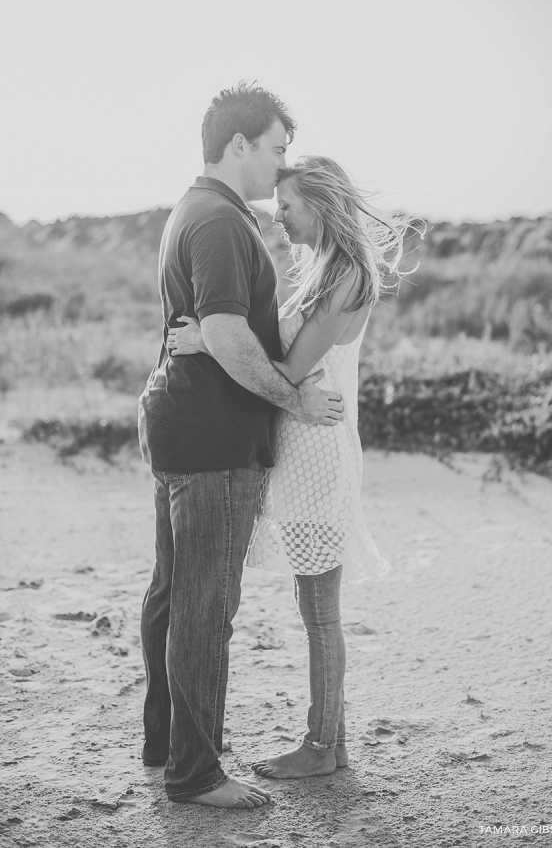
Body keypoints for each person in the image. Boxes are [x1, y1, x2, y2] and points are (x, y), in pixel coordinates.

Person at [168, 155, 417, 780]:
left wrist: (210, 342)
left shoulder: (347, 278)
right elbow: (277, 350)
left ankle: (323, 747)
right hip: (303, 447)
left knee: (320, 611)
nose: (280, 217)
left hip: (319, 452)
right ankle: (326, 744)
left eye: (289, 206)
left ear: (322, 205)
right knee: (315, 607)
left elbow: (290, 370)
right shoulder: (319, 269)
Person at [138, 85, 344, 809]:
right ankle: (195, 775)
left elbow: (216, 330)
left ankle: (167, 744)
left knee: (172, 594)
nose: (281, 162)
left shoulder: (195, 210)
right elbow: (225, 333)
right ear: (240, 146)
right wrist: (292, 399)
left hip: (181, 424)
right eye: (277, 148)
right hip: (213, 439)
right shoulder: (222, 222)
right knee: (202, 605)